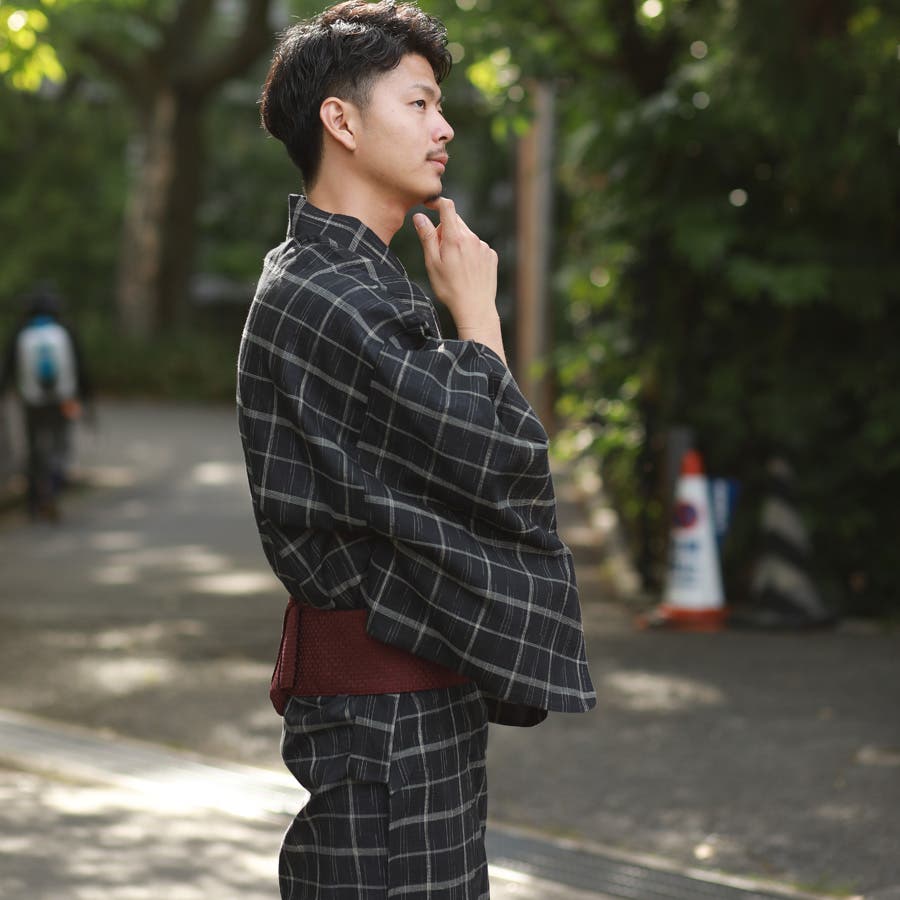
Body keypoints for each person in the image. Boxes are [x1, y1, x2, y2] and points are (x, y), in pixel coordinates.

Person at [236, 3, 596, 897]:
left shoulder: (339, 278)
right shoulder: (334, 293)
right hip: (385, 719)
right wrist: (477, 315)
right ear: (341, 120)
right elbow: (501, 462)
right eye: (420, 102)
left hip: (393, 712)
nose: (444, 128)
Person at [0, 285, 92, 520]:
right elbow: (81, 369)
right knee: (58, 445)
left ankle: (34, 502)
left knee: (34, 449)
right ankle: (53, 492)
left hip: (31, 401)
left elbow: (8, 368)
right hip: (63, 400)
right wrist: (88, 404)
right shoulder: (66, 330)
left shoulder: (22, 331)